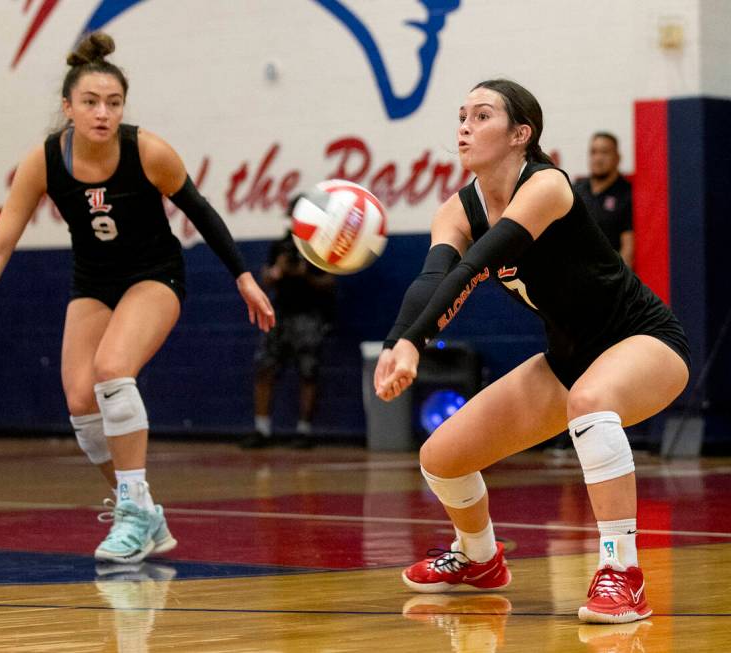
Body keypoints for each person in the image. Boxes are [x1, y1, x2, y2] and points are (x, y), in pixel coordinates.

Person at [0, 32, 275, 565]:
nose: (103, 113)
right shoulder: (45, 161)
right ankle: (141, 506)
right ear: (68, 107)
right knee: (80, 401)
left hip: (155, 276)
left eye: (114, 103)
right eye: (92, 102)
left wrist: (242, 276)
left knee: (112, 370)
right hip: (93, 282)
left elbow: (202, 212)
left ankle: (130, 512)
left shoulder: (147, 150)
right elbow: (1, 243)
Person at [375, 79, 689, 624]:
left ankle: (623, 573)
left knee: (590, 401)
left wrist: (414, 342)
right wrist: (397, 341)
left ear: (522, 133)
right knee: (442, 457)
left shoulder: (547, 186)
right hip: (566, 359)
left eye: (481, 115)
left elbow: (474, 266)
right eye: (461, 116)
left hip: (644, 341)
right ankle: (479, 559)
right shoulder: (457, 209)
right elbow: (434, 277)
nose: (464, 127)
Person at [241, 228, 336, 449]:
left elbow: (330, 282)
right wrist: (278, 271)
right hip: (281, 314)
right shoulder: (280, 245)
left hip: (309, 316)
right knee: (265, 368)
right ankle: (262, 429)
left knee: (308, 373)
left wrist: (306, 275)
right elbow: (265, 278)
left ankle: (304, 431)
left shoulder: (320, 244)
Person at [574, 132, 634, 267]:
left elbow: (628, 247)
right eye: (594, 152)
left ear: (617, 158)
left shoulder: (627, 194)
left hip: (608, 278)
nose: (598, 158)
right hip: (576, 277)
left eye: (605, 152)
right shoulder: (576, 190)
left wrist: (619, 283)